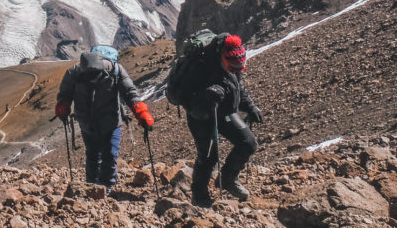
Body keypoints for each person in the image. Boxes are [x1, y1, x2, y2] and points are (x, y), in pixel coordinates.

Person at [178, 34, 263, 206]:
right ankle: (199, 196)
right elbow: (184, 97)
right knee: (208, 156)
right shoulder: (200, 66)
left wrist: (250, 107)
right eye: (233, 68)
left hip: (224, 111)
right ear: (222, 57)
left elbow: (237, 88)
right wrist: (205, 95)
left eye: (240, 68)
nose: (236, 71)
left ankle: (227, 180)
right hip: (201, 116)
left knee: (248, 143)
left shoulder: (232, 63)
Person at [55, 45, 155, 192]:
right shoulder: (75, 73)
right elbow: (64, 95)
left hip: (106, 121)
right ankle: (93, 188)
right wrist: (62, 105)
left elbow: (130, 93)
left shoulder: (115, 71)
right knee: (96, 155)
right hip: (95, 121)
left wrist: (141, 112)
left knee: (106, 156)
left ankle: (104, 189)